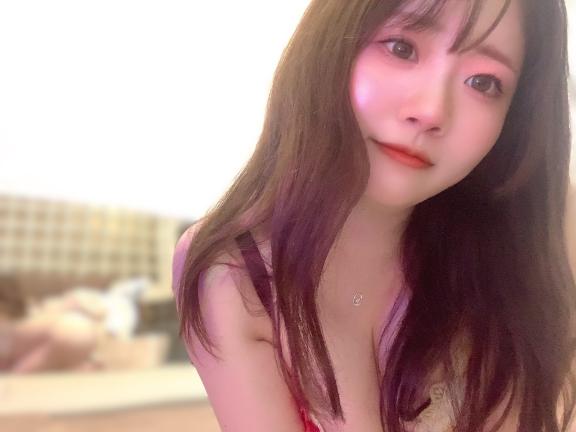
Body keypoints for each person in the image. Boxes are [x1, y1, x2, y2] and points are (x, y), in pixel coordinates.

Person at [172, 0, 576, 430]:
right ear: (329, 43)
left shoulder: (540, 236)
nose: (430, 111)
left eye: (483, 82)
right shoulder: (234, 275)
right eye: (401, 48)